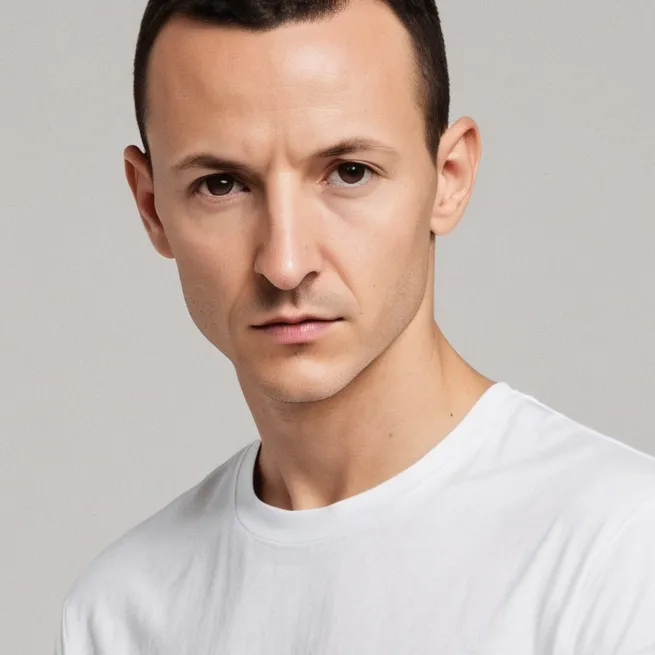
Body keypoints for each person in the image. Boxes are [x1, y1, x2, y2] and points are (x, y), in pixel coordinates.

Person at [54, 0, 655, 653]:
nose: (285, 263)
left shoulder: (620, 554)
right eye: (222, 184)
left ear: (448, 179)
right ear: (151, 206)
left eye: (349, 173)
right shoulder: (118, 614)